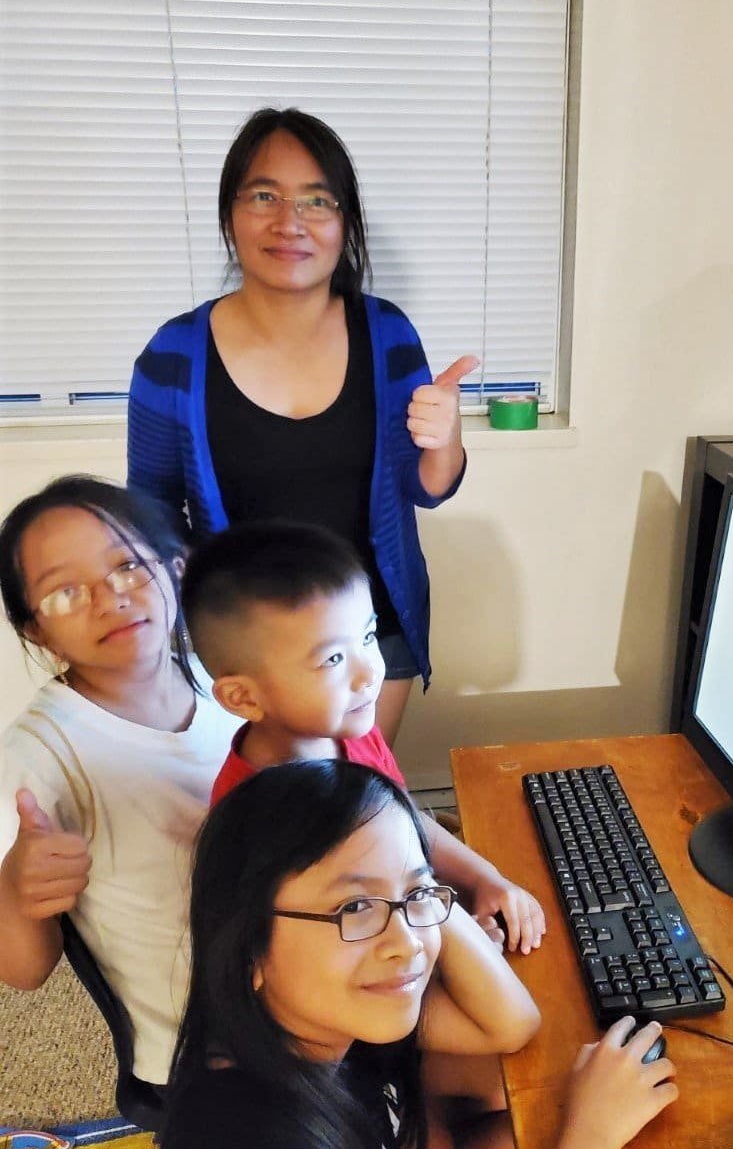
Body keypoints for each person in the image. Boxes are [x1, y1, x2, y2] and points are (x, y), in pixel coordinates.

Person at [152, 760, 678, 1149]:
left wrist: (410, 878)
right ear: (249, 948)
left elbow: (511, 1026)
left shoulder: (322, 1018)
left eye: (418, 895)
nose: (404, 944)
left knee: (527, 1121)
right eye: (355, 906)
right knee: (569, 1148)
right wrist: (587, 1142)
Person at [127, 105, 476, 747]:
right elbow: (149, 515)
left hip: (374, 632)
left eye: (317, 201)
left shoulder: (388, 333)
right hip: (246, 653)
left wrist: (446, 437)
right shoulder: (173, 356)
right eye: (265, 195)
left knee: (356, 805)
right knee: (273, 823)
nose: (290, 222)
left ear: (344, 223)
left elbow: (428, 486)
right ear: (231, 213)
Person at [181, 518, 546, 956]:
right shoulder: (263, 816)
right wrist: (453, 942)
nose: (371, 671)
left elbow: (405, 819)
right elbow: (330, 949)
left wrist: (484, 879)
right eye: (333, 657)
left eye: (368, 635)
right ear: (243, 697)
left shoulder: (350, 733)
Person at [0, 475, 240, 1090]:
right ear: (37, 633)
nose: (110, 598)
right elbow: (22, 970)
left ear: (177, 569)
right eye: (64, 593)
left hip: (314, 980)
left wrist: (473, 878)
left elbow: (354, 793)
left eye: (129, 566)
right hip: (210, 1053)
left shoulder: (227, 684)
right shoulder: (40, 753)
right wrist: (19, 884)